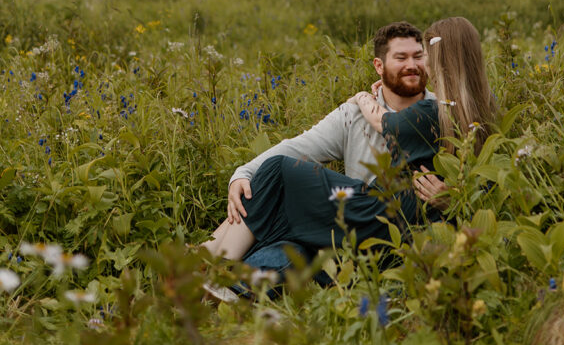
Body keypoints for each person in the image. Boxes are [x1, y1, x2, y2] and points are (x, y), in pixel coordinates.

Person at [202, 17, 497, 292]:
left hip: (392, 233)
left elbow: (386, 123)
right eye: (401, 58)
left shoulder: (436, 110)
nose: (414, 65)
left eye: (420, 57)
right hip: (356, 224)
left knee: (280, 180)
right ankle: (223, 284)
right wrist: (241, 174)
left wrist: (454, 198)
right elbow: (300, 145)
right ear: (379, 66)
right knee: (290, 245)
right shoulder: (356, 115)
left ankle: (207, 265)